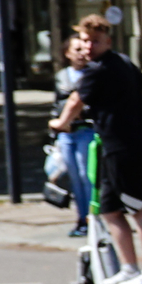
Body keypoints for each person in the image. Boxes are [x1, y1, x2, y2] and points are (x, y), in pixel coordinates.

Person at [50, 15, 142, 284]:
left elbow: (76, 99)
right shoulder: (122, 61)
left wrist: (60, 123)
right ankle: (128, 267)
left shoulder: (98, 69)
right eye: (85, 41)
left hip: (122, 146)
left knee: (137, 206)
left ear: (107, 41)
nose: (89, 46)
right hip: (115, 144)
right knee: (110, 209)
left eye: (95, 41)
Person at [50, 35, 93, 238]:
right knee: (74, 178)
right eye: (76, 49)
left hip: (86, 130)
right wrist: (55, 128)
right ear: (67, 54)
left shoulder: (92, 74)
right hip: (67, 133)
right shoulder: (62, 76)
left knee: (87, 176)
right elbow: (56, 103)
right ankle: (81, 218)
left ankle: (93, 219)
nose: (81, 53)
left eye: (83, 48)